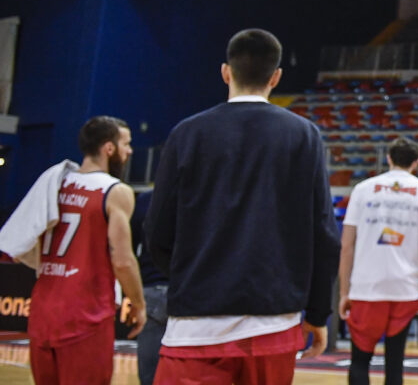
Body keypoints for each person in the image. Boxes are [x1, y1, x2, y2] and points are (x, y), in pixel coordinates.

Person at [146, 29, 340, 383]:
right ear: (276, 77)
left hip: (196, 324)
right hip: (273, 322)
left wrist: (194, 275)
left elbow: (157, 229)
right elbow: (324, 232)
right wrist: (317, 310)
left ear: (225, 72)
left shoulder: (186, 133)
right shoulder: (305, 135)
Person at [25, 116, 146, 385]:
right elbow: (123, 260)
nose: (130, 151)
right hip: (85, 316)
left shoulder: (53, 184)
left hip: (43, 313)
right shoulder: (116, 192)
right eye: (126, 144)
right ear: (109, 148)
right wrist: (138, 304)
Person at [339, 137, 418, 385]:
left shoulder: (362, 189)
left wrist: (344, 291)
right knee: (395, 363)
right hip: (405, 288)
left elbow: (346, 245)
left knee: (360, 361)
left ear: (388, 159)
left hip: (366, 287)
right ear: (416, 163)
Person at [130, 188, 169, 385]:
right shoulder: (200, 194)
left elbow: (128, 249)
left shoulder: (145, 199)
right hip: (189, 294)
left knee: (149, 378)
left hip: (152, 291)